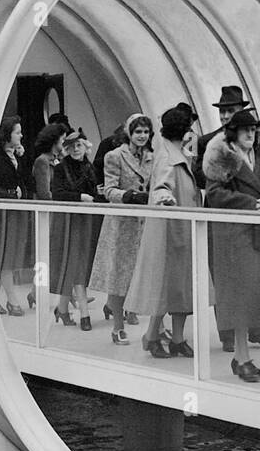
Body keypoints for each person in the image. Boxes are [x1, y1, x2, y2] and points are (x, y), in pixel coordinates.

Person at [203, 109, 260, 383]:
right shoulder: (223, 158)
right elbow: (214, 195)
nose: (251, 134)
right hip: (235, 235)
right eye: (245, 130)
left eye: (254, 130)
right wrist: (250, 203)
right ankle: (241, 358)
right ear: (233, 133)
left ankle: (243, 358)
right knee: (241, 298)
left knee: (256, 295)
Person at [125, 106, 203, 359]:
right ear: (185, 129)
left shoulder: (176, 153)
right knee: (167, 286)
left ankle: (177, 339)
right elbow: (161, 185)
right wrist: (165, 198)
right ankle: (152, 335)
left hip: (181, 230)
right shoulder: (168, 157)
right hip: (171, 233)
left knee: (181, 288)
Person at [90, 114, 154, 344]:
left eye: (146, 132)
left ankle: (155, 327)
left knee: (144, 272)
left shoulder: (152, 158)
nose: (142, 136)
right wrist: (128, 196)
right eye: (138, 131)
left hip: (144, 223)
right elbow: (108, 190)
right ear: (129, 133)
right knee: (118, 274)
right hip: (121, 223)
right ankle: (118, 326)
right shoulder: (114, 156)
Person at [50, 130, 99, 331]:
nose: (76, 149)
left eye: (79, 145)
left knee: (76, 264)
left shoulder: (89, 167)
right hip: (68, 222)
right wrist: (80, 197)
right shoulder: (61, 168)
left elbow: (95, 191)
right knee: (76, 264)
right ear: (67, 149)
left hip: (85, 221)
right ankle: (85, 314)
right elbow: (57, 193)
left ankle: (62, 309)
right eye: (72, 146)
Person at [0, 116, 30, 316]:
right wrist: (10, 193)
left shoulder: (15, 155)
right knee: (3, 255)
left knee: (7, 256)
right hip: (0, 213)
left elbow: (22, 181)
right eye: (17, 132)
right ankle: (11, 299)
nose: (21, 135)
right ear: (7, 134)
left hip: (13, 211)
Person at [30, 121, 69, 318]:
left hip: (57, 213)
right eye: (62, 139)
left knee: (52, 254)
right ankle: (37, 292)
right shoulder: (43, 161)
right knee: (44, 256)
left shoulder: (58, 159)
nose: (64, 142)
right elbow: (44, 192)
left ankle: (37, 292)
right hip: (47, 214)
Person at [193, 85, 250, 191]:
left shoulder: (253, 139)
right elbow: (198, 177)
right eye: (222, 111)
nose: (225, 116)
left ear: (242, 111)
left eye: (231, 111)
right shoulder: (205, 142)